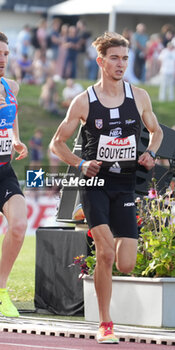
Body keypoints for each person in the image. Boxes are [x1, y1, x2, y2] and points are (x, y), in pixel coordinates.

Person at [50, 32, 163, 344]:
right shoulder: (83, 101)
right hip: (94, 184)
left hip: (125, 186)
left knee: (126, 263)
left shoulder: (139, 96)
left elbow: (156, 132)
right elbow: (56, 143)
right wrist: (80, 163)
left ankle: (103, 238)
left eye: (125, 58)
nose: (121, 64)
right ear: (100, 61)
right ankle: (105, 323)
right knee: (105, 252)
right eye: (114, 57)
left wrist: (150, 153)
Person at [0, 32, 28, 317]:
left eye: (6, 53)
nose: (2, 59)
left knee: (18, 226)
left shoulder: (11, 87)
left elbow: (13, 112)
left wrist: (16, 138)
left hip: (4, 170)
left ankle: (1, 291)